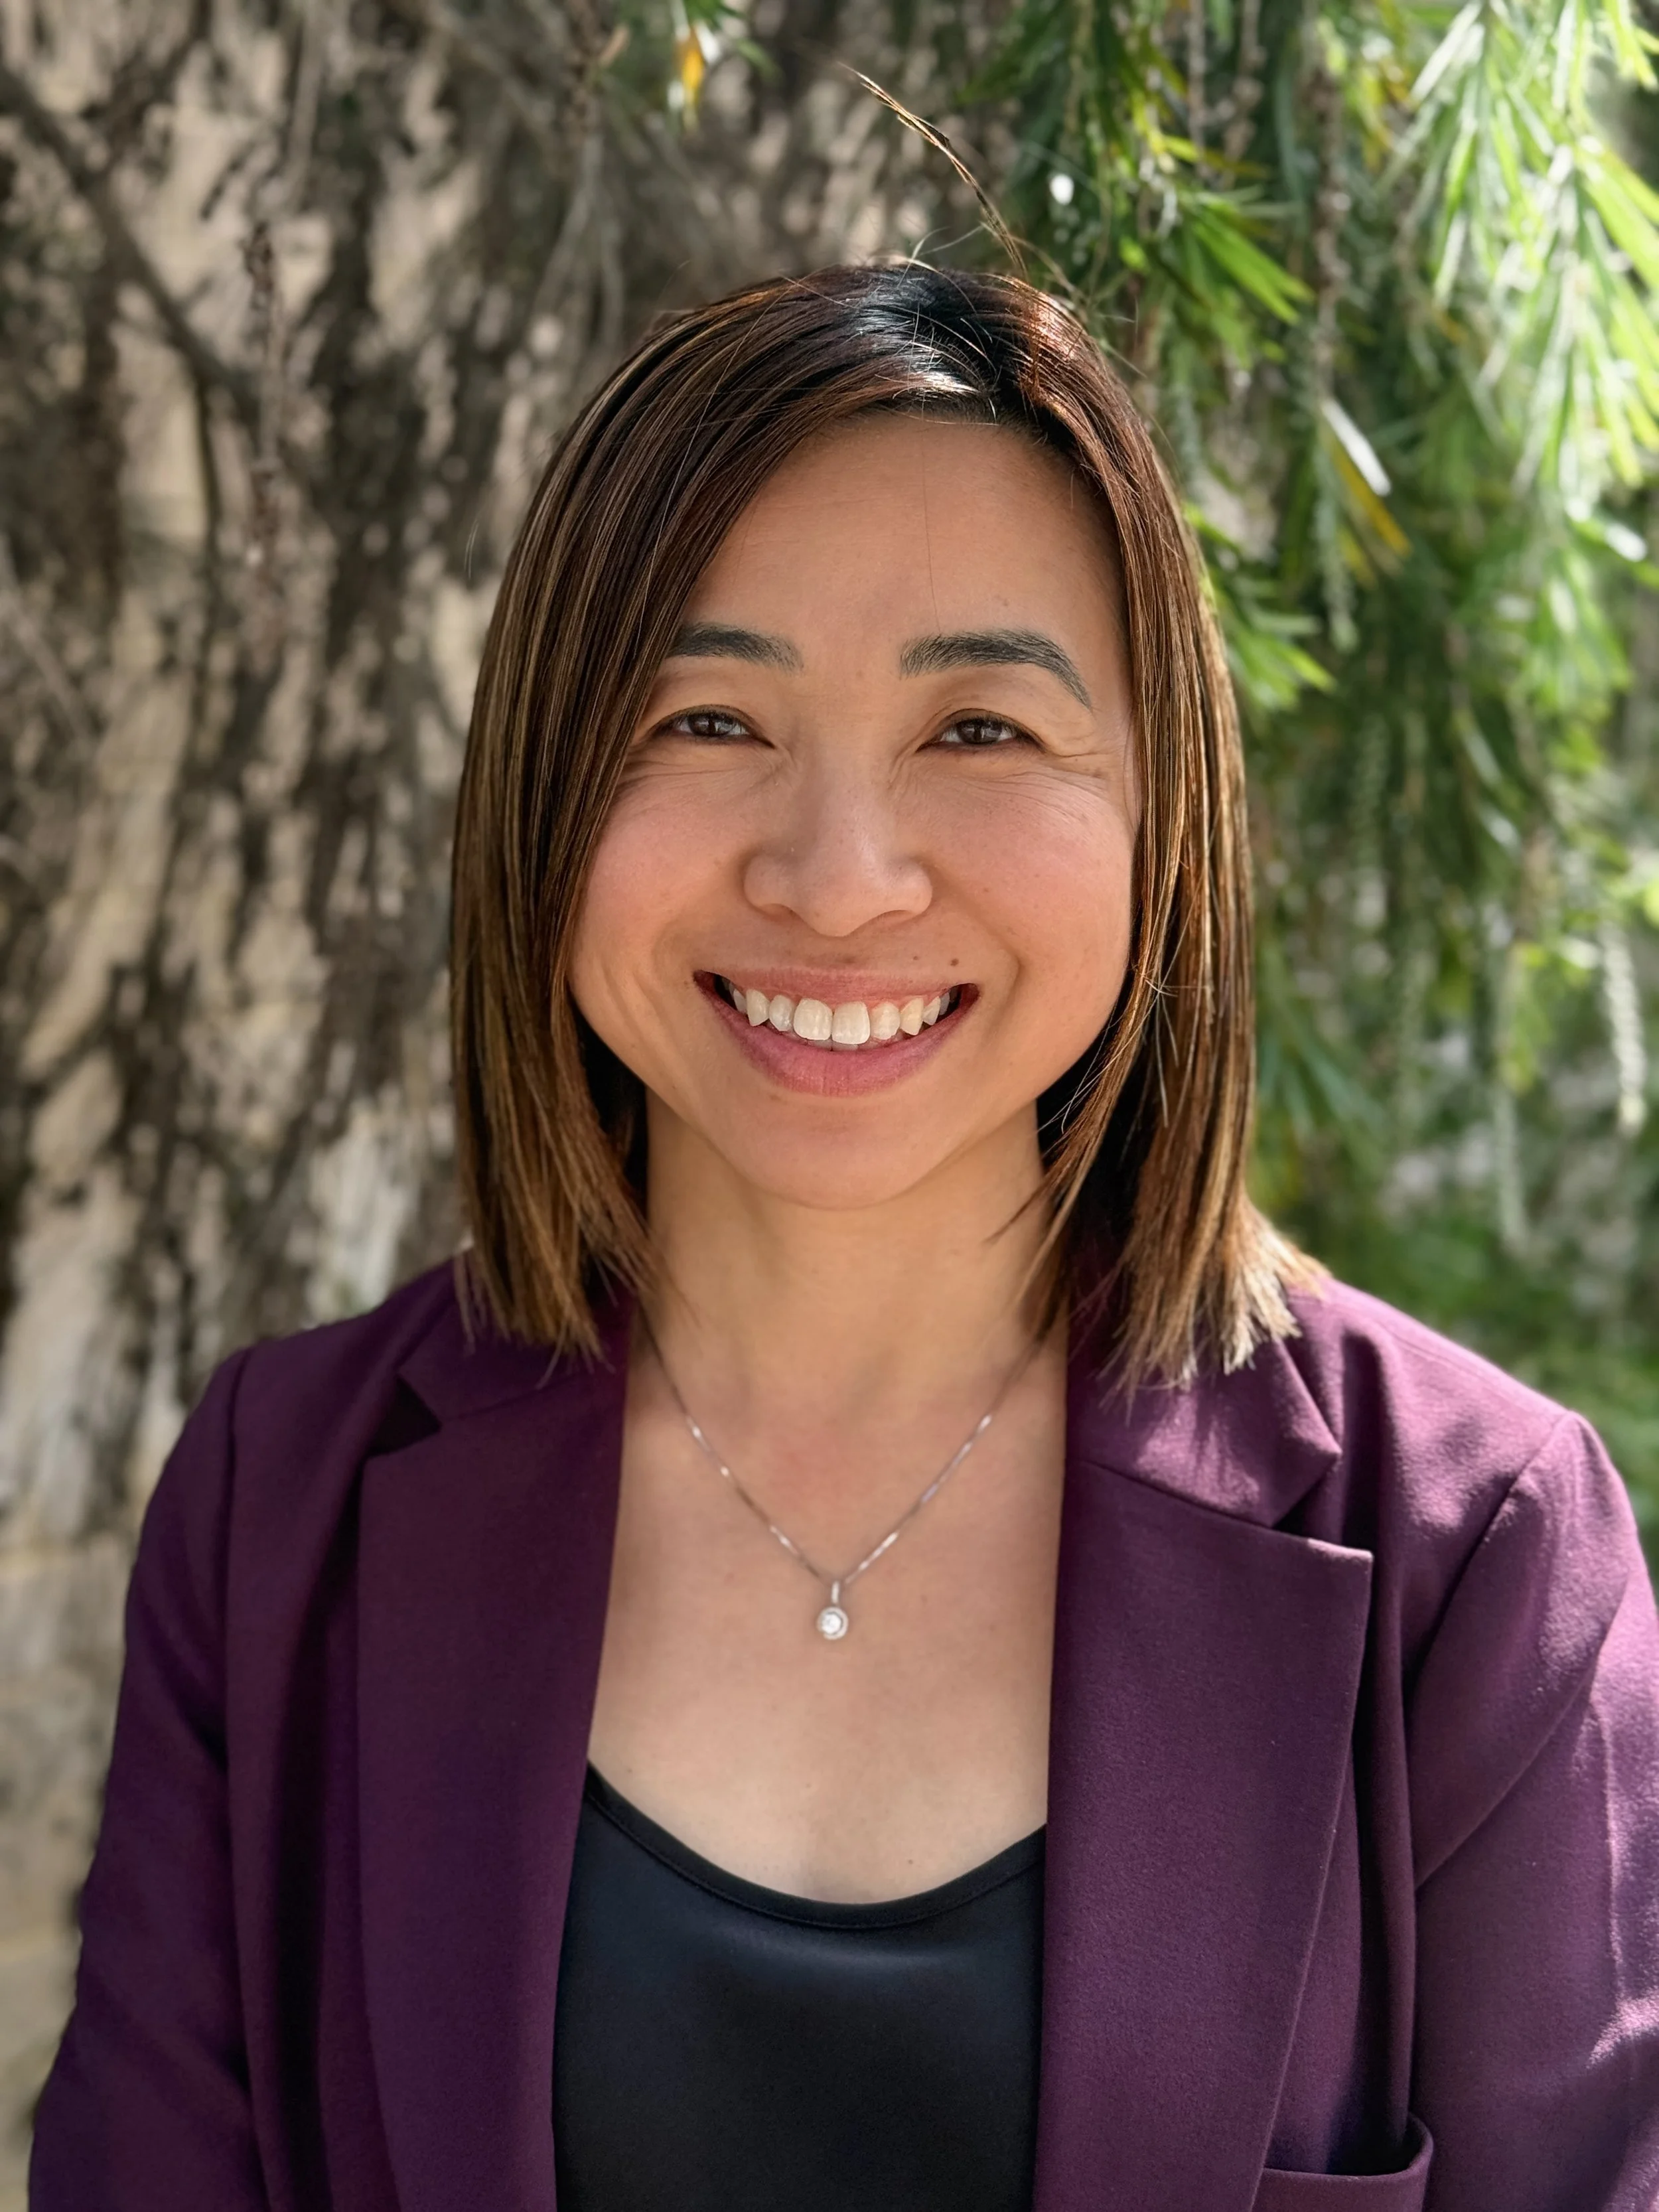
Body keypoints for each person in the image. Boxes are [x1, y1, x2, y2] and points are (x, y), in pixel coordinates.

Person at [29, 263, 1659, 2212]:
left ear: (1164, 820)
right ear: (549, 786)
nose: (837, 877)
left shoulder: (1467, 1549)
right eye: (708, 714)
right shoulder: (278, 1500)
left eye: (978, 729)